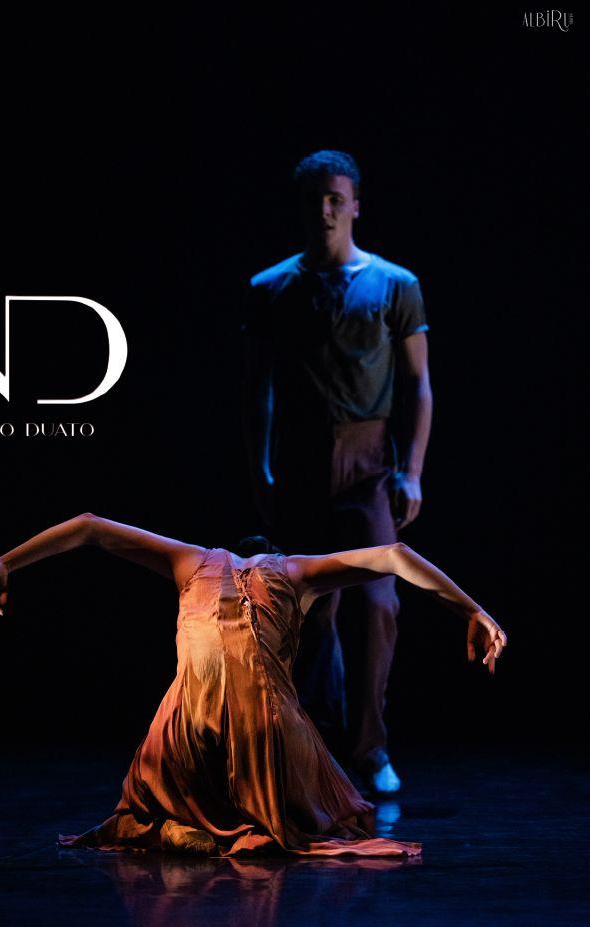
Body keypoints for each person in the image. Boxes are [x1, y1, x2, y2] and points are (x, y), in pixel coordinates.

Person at [0, 513, 506, 859]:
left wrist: (4, 561)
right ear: (272, 554)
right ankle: (238, 821)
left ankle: (182, 824)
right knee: (322, 790)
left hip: (183, 741)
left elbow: (89, 525)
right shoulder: (294, 571)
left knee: (152, 787)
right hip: (264, 741)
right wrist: (473, 610)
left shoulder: (190, 561)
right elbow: (394, 554)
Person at [241, 150, 433, 794]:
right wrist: (261, 469)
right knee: (310, 610)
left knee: (378, 603)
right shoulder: (271, 287)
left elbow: (419, 383)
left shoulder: (394, 284)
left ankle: (370, 748)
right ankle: (318, 747)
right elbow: (257, 390)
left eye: (335, 198)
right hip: (300, 464)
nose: (325, 210)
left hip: (368, 463)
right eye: (314, 200)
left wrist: (412, 470)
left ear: (354, 205)